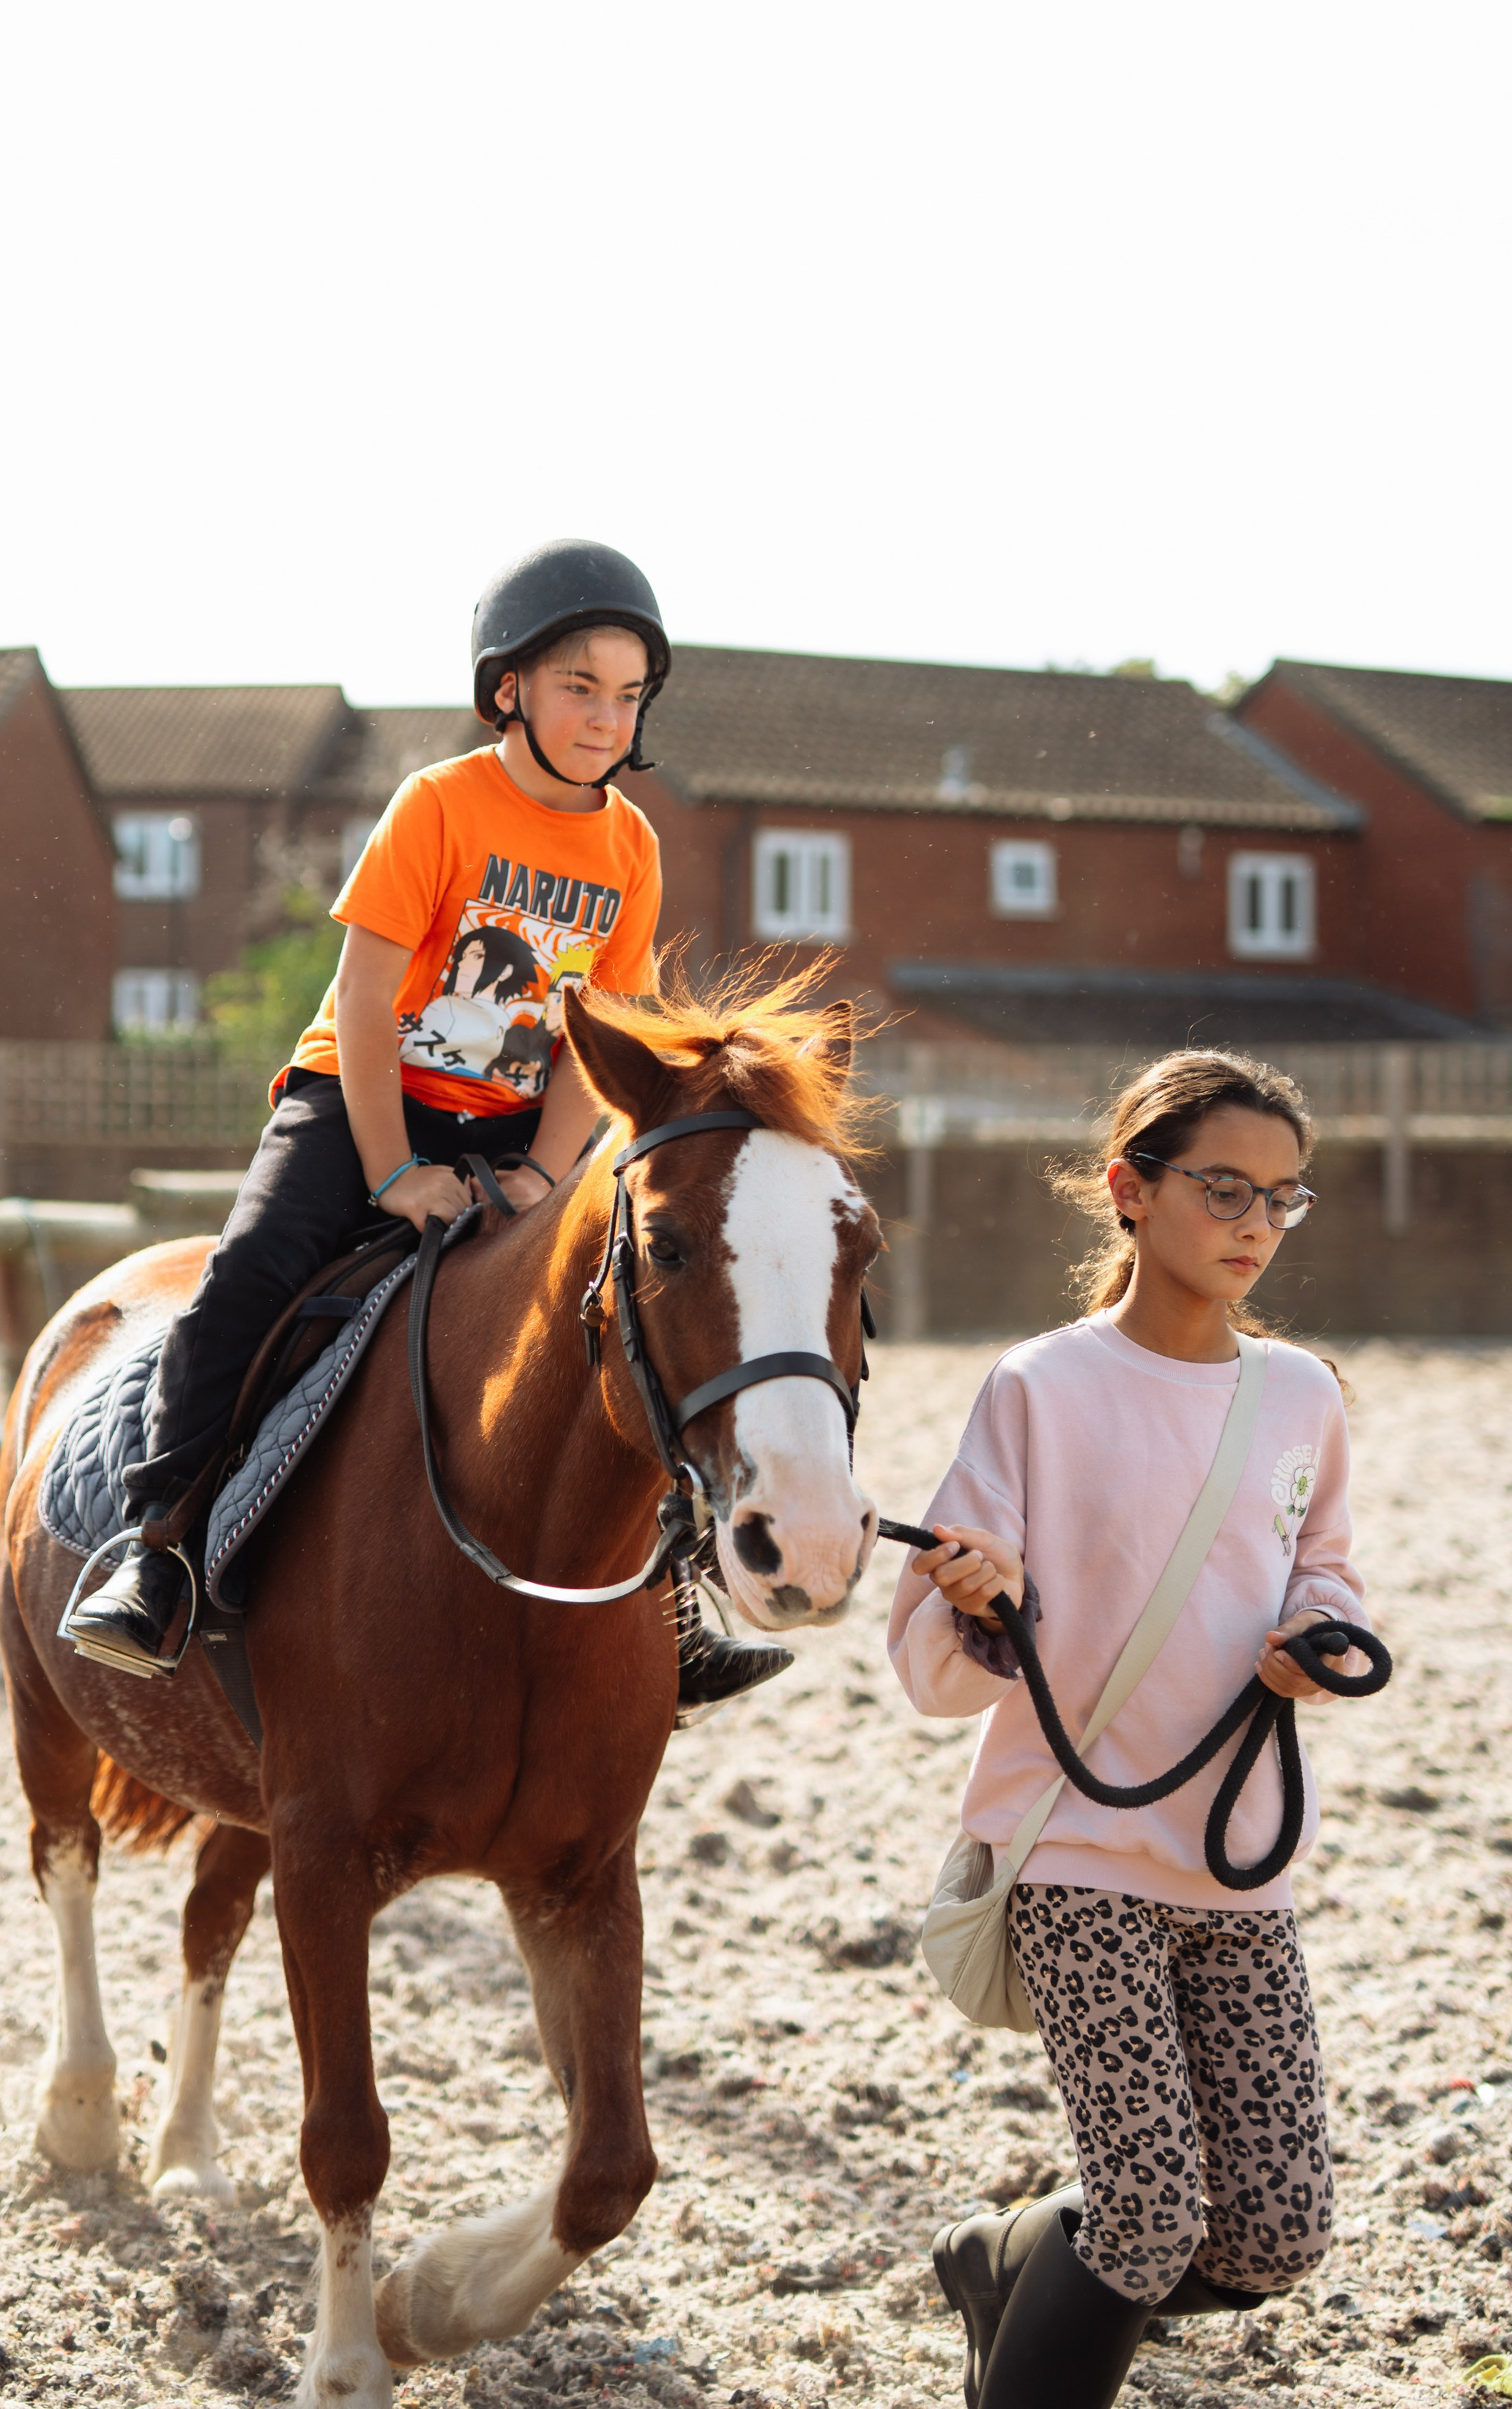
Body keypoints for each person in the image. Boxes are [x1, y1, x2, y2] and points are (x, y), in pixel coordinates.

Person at [69, 538, 792, 1719]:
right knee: (244, 1281)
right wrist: (392, 1168)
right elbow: (362, 998)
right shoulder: (441, 804)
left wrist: (539, 1176)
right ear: (508, 685)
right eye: (580, 688)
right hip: (359, 1100)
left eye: (629, 694)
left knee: (623, 1320)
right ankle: (163, 1551)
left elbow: (592, 1036)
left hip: (516, 1127)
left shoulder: (633, 849)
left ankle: (669, 1605)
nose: (608, 718)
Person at [888, 1050, 1370, 2409]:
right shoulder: (1040, 1386)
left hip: (1238, 1848)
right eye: (1225, 1188)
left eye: (1285, 1198)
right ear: (1130, 1190)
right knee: (1150, 2217)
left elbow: (1323, 1567)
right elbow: (936, 1662)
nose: (1257, 1224)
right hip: (1076, 1843)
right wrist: (987, 1597)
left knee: (1277, 2235)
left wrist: (1319, 1641)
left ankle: (1012, 2261)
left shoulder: (1302, 1399)